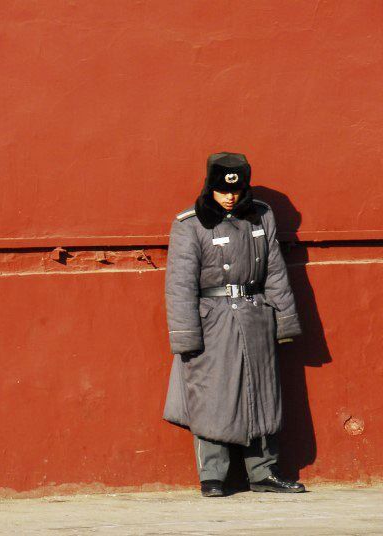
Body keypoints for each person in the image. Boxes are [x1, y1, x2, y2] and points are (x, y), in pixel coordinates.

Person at [162, 152, 306, 497]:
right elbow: (179, 284)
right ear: (210, 186)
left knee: (263, 394)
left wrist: (284, 320)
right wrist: (185, 336)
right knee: (213, 395)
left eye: (237, 190)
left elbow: (274, 270)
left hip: (256, 314)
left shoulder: (261, 217)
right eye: (223, 189)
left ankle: (263, 472)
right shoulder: (190, 223)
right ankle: (213, 476)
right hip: (213, 319)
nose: (230, 196)